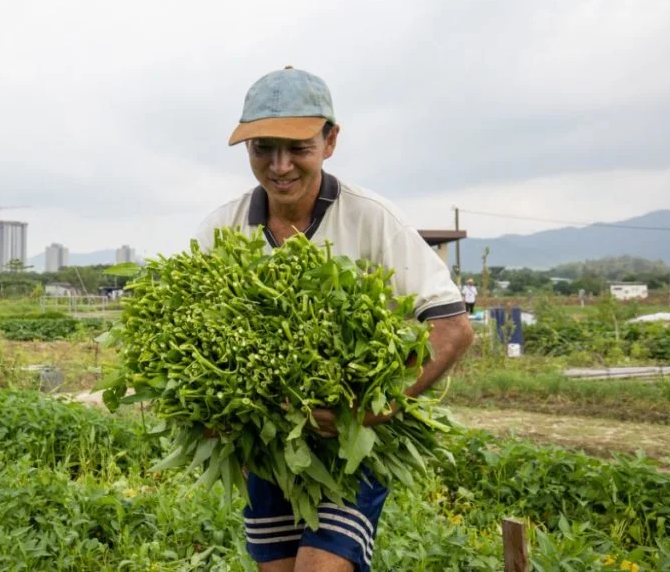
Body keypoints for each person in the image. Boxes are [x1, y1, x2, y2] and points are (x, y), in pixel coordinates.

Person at [195, 66, 474, 572]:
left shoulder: (371, 218)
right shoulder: (222, 227)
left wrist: (376, 409)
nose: (279, 166)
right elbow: (188, 330)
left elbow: (453, 327)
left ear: (331, 141)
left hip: (351, 445)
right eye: (262, 149)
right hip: (269, 445)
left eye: (297, 148)